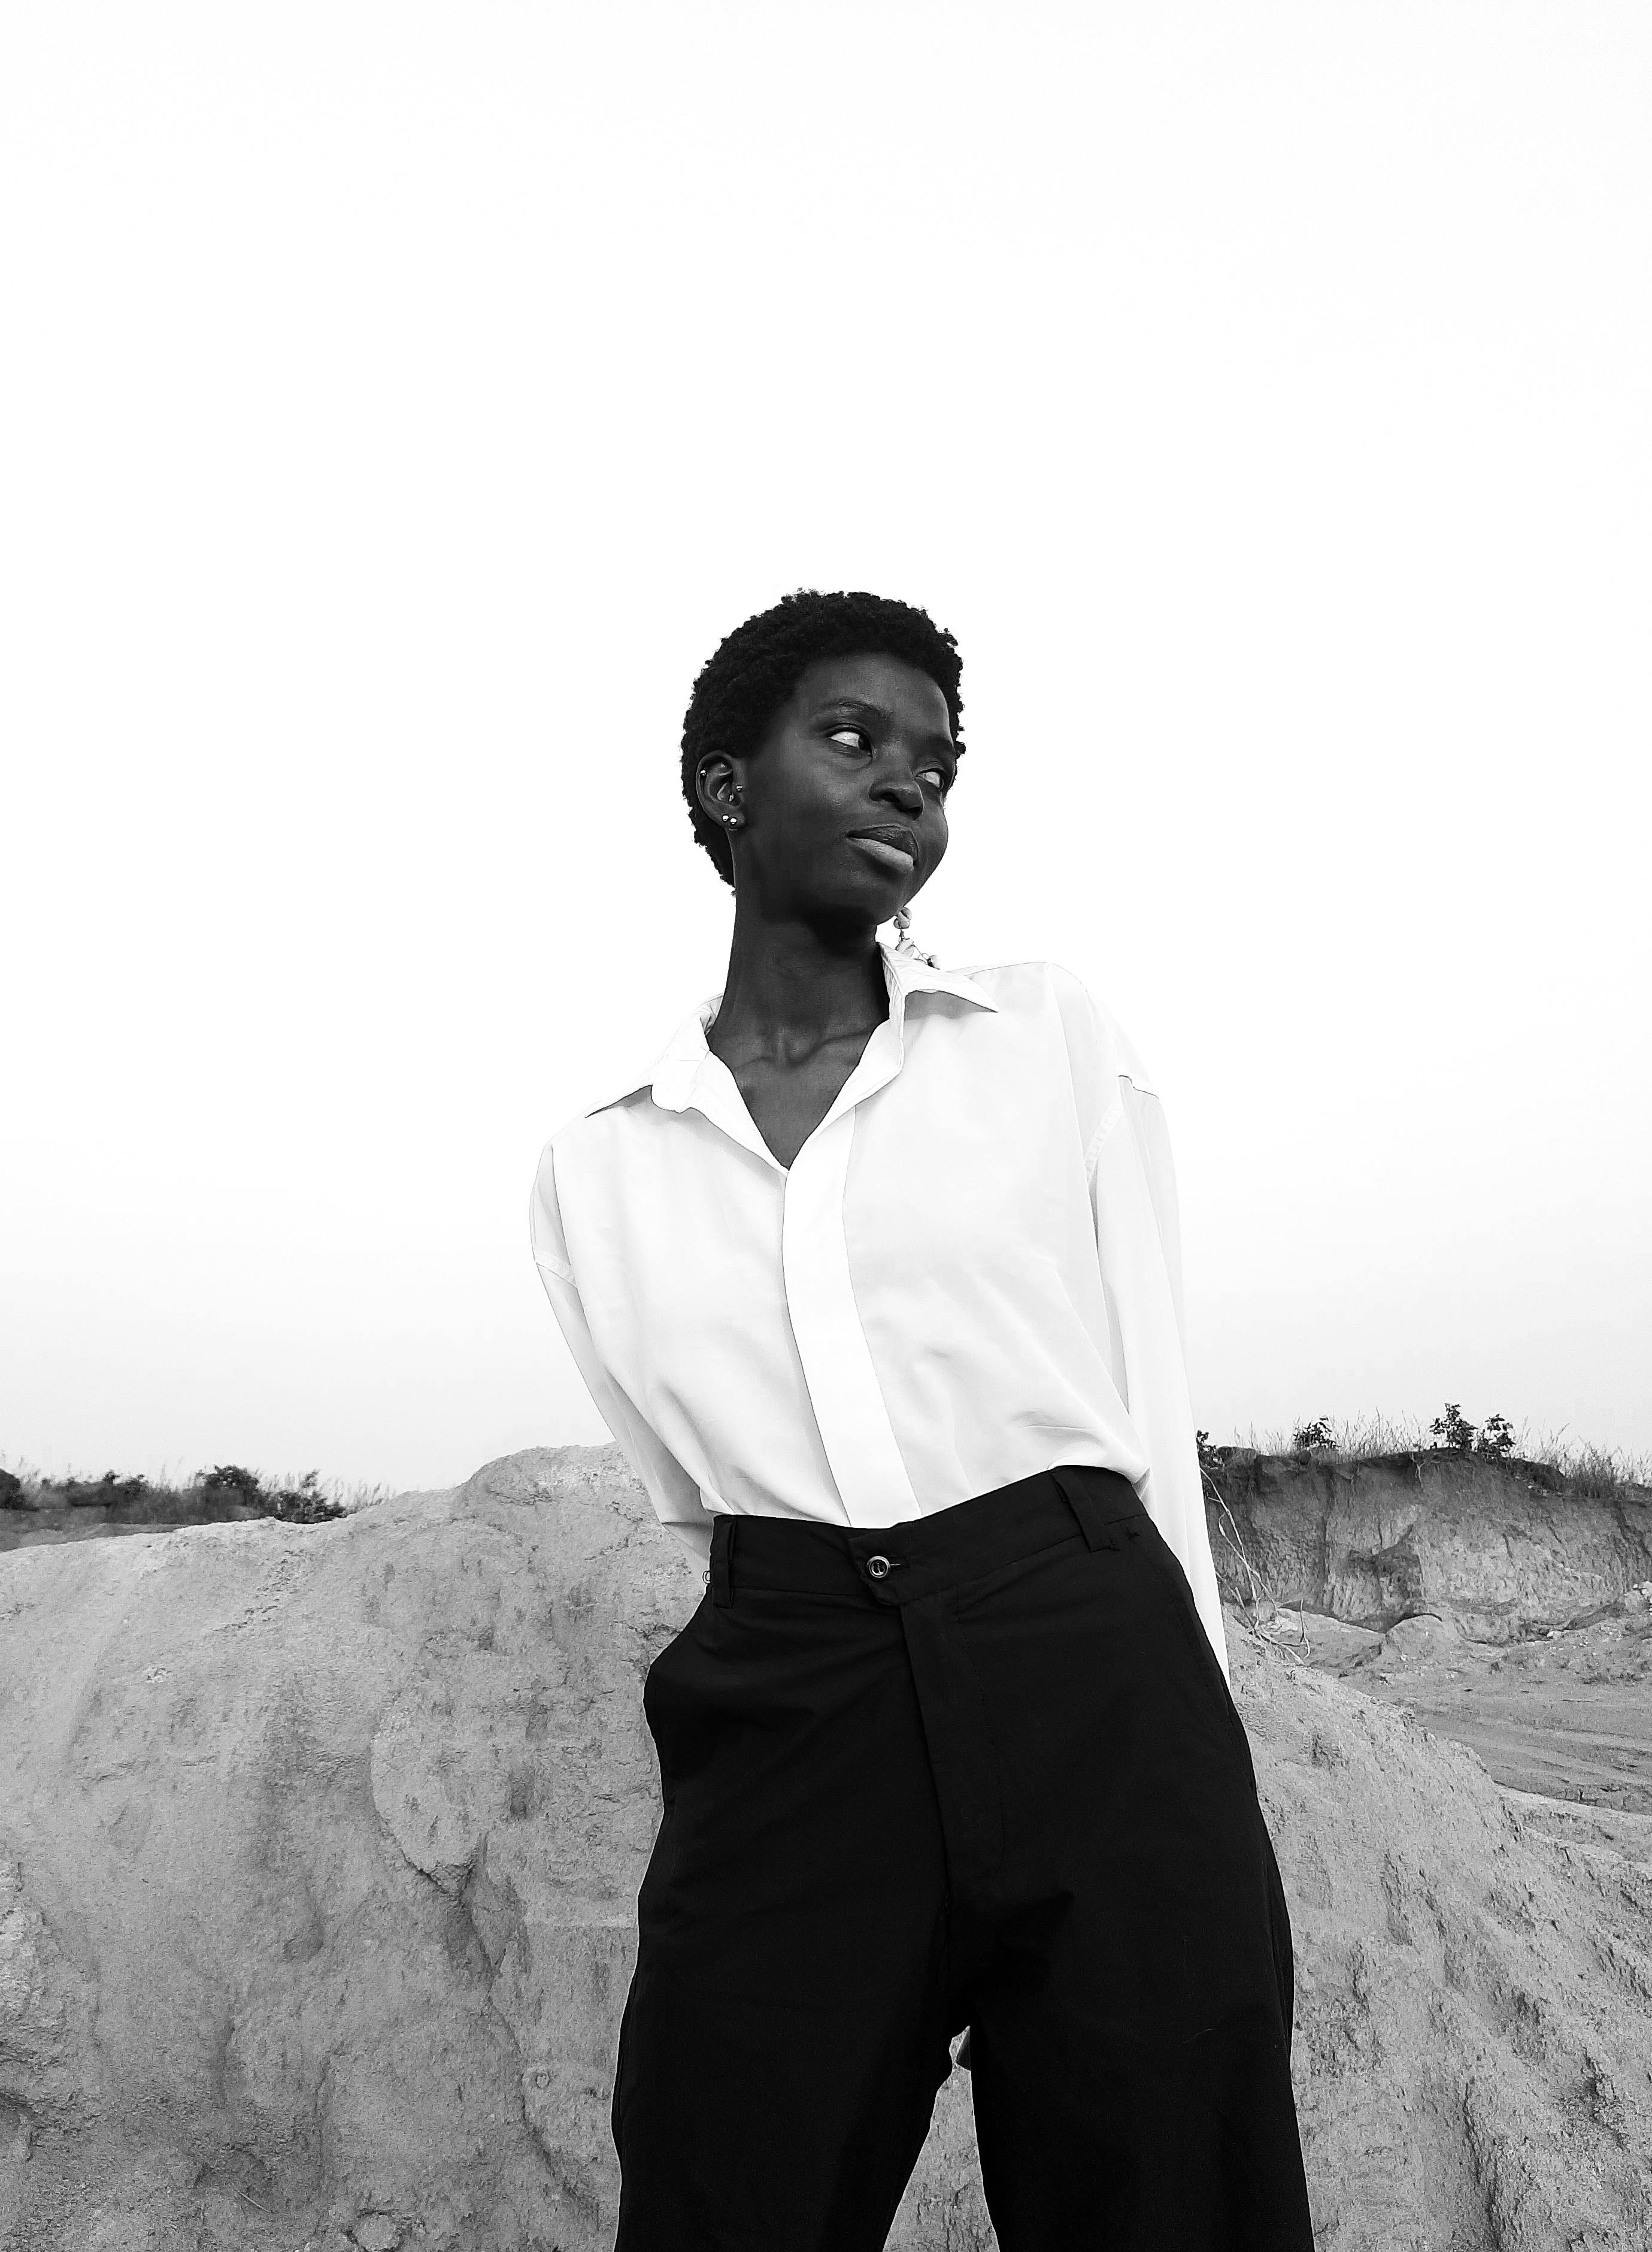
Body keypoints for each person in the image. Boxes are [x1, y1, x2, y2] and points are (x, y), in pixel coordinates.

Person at [529, 589, 1314, 2250]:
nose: (909, 786)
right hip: (793, 1693)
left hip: (1093, 1665)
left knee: (1168, 2193)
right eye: (855, 738)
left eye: (937, 764)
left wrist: (1192, 1741)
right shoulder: (598, 1167)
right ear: (729, 786)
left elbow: (1146, 1395)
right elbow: (690, 1482)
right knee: (726, 2185)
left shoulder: (1044, 1035)